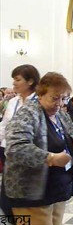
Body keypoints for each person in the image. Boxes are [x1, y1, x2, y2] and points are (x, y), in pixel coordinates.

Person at [4, 72, 73, 225]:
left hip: (56, 189)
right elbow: (15, 148)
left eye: (63, 98)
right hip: (30, 194)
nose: (59, 103)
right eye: (54, 98)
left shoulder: (60, 115)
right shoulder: (27, 113)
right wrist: (50, 158)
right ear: (41, 95)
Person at [0, 64, 40, 217]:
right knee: (6, 200)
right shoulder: (12, 102)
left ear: (30, 81)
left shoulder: (38, 102)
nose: (14, 83)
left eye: (17, 79)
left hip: (28, 155)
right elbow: (4, 125)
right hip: (9, 153)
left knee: (24, 202)